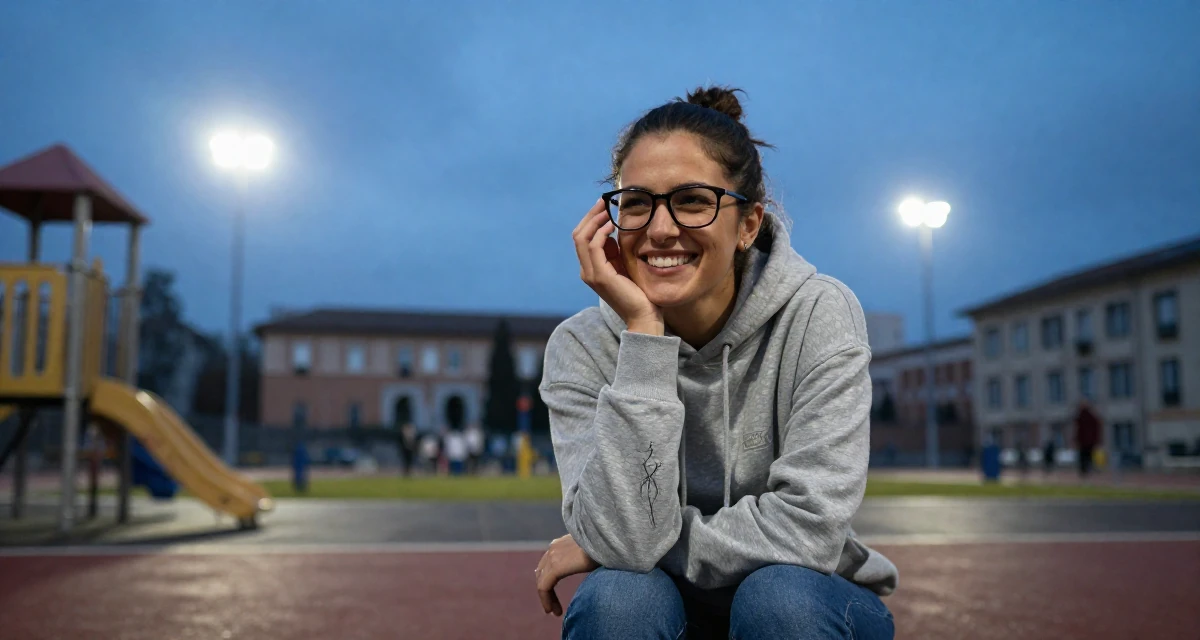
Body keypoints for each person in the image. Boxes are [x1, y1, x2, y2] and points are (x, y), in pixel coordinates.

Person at [534, 86, 896, 639]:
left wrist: (607, 541)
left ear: (748, 224)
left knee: (779, 600)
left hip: (806, 597)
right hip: (659, 604)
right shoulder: (582, 347)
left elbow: (810, 526)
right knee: (618, 601)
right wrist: (645, 337)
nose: (660, 229)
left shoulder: (819, 312)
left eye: (692, 200)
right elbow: (628, 549)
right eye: (636, 202)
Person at [1074, 400, 1102, 478]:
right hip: (1087, 442)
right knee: (1086, 458)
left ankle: (1086, 472)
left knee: (1085, 458)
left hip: (1086, 442)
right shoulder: (1086, 416)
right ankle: (1086, 472)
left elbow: (1078, 429)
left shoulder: (1084, 416)